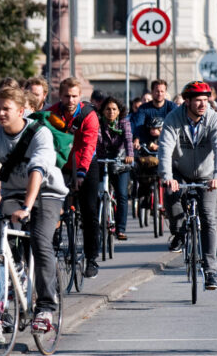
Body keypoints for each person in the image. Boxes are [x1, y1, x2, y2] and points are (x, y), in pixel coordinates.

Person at [0, 86, 68, 337]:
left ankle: (46, 306)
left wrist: (27, 206)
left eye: (7, 109)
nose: (1, 113)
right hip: (14, 192)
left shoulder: (40, 133)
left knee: (40, 239)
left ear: (22, 111)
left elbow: (38, 169)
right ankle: (2, 302)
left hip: (47, 193)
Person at [157, 81, 217, 290]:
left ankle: (211, 271)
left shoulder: (214, 119)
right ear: (187, 101)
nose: (203, 104)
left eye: (206, 100)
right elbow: (165, 148)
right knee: (170, 195)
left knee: (207, 217)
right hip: (179, 171)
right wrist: (168, 176)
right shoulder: (173, 118)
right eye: (198, 100)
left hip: (207, 176)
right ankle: (178, 232)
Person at [46, 77, 101, 278]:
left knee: (89, 210)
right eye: (67, 96)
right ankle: (52, 247)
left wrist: (81, 173)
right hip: (61, 164)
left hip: (85, 164)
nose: (70, 100)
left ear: (80, 97)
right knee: (51, 206)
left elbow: (88, 146)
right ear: (60, 96)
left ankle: (92, 258)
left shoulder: (89, 115)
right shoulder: (51, 113)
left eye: (74, 96)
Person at [96, 96, 134, 240]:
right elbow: (97, 141)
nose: (111, 112)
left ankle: (120, 229)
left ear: (119, 111)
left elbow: (128, 139)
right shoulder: (99, 123)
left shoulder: (124, 123)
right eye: (108, 109)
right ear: (103, 111)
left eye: (114, 109)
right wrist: (98, 159)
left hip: (120, 161)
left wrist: (130, 155)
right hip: (103, 159)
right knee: (95, 192)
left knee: (122, 195)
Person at [132, 80, 177, 151]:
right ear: (152, 92)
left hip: (167, 143)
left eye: (162, 91)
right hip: (147, 145)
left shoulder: (172, 107)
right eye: (157, 91)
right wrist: (136, 140)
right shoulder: (143, 108)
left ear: (165, 92)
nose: (159, 94)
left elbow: (177, 124)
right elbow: (138, 125)